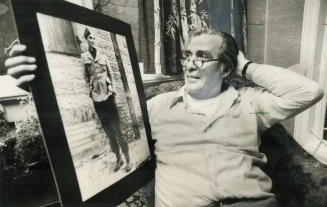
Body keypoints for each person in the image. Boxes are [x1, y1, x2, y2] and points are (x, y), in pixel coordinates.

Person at [5, 28, 324, 206]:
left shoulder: (251, 104)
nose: (189, 64)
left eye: (202, 57)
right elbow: (95, 118)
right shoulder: (157, 107)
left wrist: (245, 66)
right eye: (187, 56)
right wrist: (37, 83)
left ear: (225, 68)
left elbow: (308, 91)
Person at [81, 28, 131, 173]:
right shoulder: (84, 58)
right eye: (90, 38)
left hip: (108, 97)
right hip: (97, 99)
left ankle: (127, 158)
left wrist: (113, 88)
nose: (93, 40)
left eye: (94, 38)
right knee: (109, 133)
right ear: (86, 40)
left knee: (118, 130)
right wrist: (89, 93)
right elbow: (85, 77)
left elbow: (111, 74)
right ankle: (118, 159)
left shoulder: (103, 56)